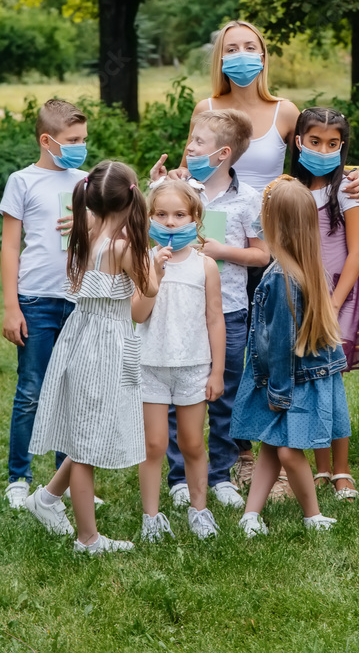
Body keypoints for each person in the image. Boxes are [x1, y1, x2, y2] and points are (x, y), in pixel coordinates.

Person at [150, 18, 359, 494]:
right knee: (214, 344)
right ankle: (210, 459)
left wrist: (355, 181)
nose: (242, 54)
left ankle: (258, 449)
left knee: (265, 349)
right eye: (232, 47)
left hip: (275, 247)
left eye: (251, 46)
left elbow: (315, 158)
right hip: (215, 241)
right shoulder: (205, 106)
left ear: (264, 56)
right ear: (220, 58)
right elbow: (192, 167)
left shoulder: (285, 110)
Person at [24, 161, 159, 554]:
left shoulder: (88, 232)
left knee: (89, 431)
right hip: (104, 345)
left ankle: (47, 498)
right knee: (85, 446)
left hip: (84, 338)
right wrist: (160, 265)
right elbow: (148, 289)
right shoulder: (124, 246)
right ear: (134, 196)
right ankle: (88, 538)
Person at [230, 176, 351, 536]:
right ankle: (251, 514)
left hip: (287, 382)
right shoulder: (304, 267)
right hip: (297, 379)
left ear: (270, 224)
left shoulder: (280, 278)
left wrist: (277, 394)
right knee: (271, 445)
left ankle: (312, 515)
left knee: (286, 452)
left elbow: (279, 345)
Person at [164, 111, 268, 512]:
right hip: (181, 310)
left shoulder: (248, 200)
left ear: (224, 153)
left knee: (224, 393)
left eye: (198, 142)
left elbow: (263, 254)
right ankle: (178, 477)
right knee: (178, 396)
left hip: (229, 312)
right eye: (190, 140)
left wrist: (224, 251)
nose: (189, 147)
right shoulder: (175, 191)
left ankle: (221, 473)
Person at [0, 98, 89, 509]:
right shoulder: (22, 181)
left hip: (80, 300)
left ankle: (61, 482)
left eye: (84, 139)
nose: (81, 146)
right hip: (36, 299)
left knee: (70, 392)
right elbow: (10, 247)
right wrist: (11, 306)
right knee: (32, 390)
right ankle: (20, 477)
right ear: (47, 140)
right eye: (73, 140)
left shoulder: (87, 182)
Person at [134, 179, 226, 540]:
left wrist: (217, 370)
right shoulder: (142, 260)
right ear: (149, 218)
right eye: (161, 214)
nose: (170, 222)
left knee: (191, 443)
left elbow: (215, 319)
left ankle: (199, 510)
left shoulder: (206, 266)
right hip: (151, 366)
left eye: (179, 214)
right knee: (154, 444)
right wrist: (154, 273)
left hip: (192, 367)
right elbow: (138, 314)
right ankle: (151, 518)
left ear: (195, 218)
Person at [290, 106, 359, 501]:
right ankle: (320, 469)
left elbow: (356, 254)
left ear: (343, 147)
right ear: (298, 141)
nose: (324, 150)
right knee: (308, 381)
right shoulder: (287, 190)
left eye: (333, 144)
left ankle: (342, 472)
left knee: (331, 382)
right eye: (316, 141)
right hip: (296, 298)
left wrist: (331, 306)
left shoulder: (347, 189)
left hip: (337, 297)